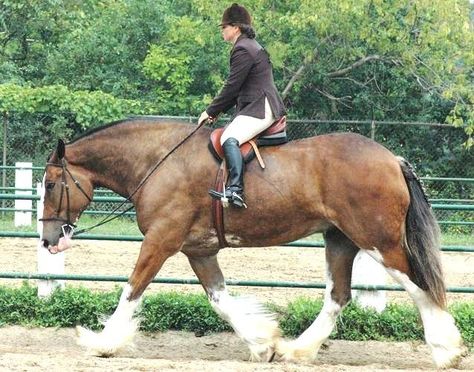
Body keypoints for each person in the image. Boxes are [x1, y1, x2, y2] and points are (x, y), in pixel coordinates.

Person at [199, 3, 286, 208]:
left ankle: (236, 190)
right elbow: (237, 89)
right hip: (254, 104)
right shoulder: (248, 46)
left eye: (224, 27)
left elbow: (232, 86)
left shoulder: (243, 49)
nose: (222, 31)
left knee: (230, 138)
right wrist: (216, 113)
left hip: (261, 107)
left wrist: (209, 111)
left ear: (236, 27)